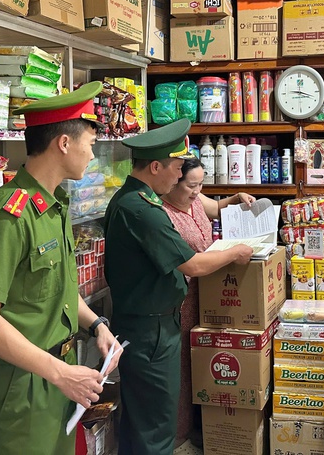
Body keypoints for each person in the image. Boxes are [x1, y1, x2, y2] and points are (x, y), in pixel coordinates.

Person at [0, 82, 121, 455]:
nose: (92, 153)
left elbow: (58, 290)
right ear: (64, 143)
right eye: (90, 143)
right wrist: (60, 373)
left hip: (58, 377)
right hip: (19, 388)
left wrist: (97, 325)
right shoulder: (6, 216)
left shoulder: (53, 206)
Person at [103, 119, 253, 455]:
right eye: (175, 169)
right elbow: (193, 265)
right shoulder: (143, 210)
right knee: (156, 425)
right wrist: (236, 253)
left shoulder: (133, 200)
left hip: (149, 323)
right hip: (151, 331)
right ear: (156, 167)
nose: (177, 177)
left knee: (143, 419)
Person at [161, 158, 256, 450]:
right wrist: (233, 253)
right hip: (181, 300)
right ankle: (179, 437)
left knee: (205, 364)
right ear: (172, 182)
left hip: (209, 294)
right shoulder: (162, 214)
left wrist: (235, 198)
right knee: (183, 369)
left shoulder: (195, 198)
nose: (197, 191)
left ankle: (206, 427)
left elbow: (214, 207)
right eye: (192, 185)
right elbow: (192, 265)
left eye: (201, 184)